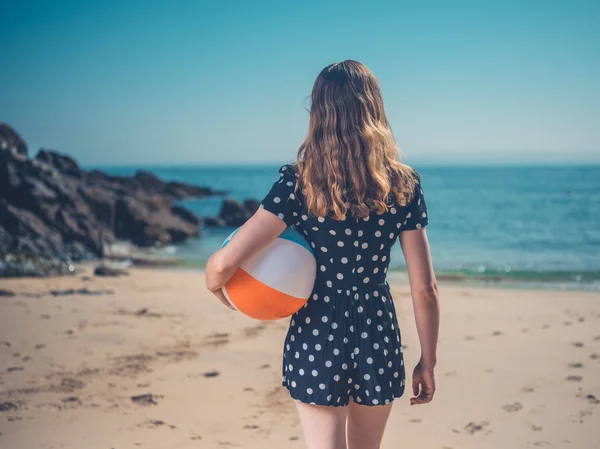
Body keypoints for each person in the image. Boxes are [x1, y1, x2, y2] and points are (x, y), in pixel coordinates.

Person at [205, 60, 440, 449]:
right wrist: (427, 361)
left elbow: (226, 260)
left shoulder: (300, 183)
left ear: (319, 113)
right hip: (376, 329)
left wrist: (217, 285)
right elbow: (425, 289)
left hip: (318, 329)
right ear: (375, 110)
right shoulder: (404, 184)